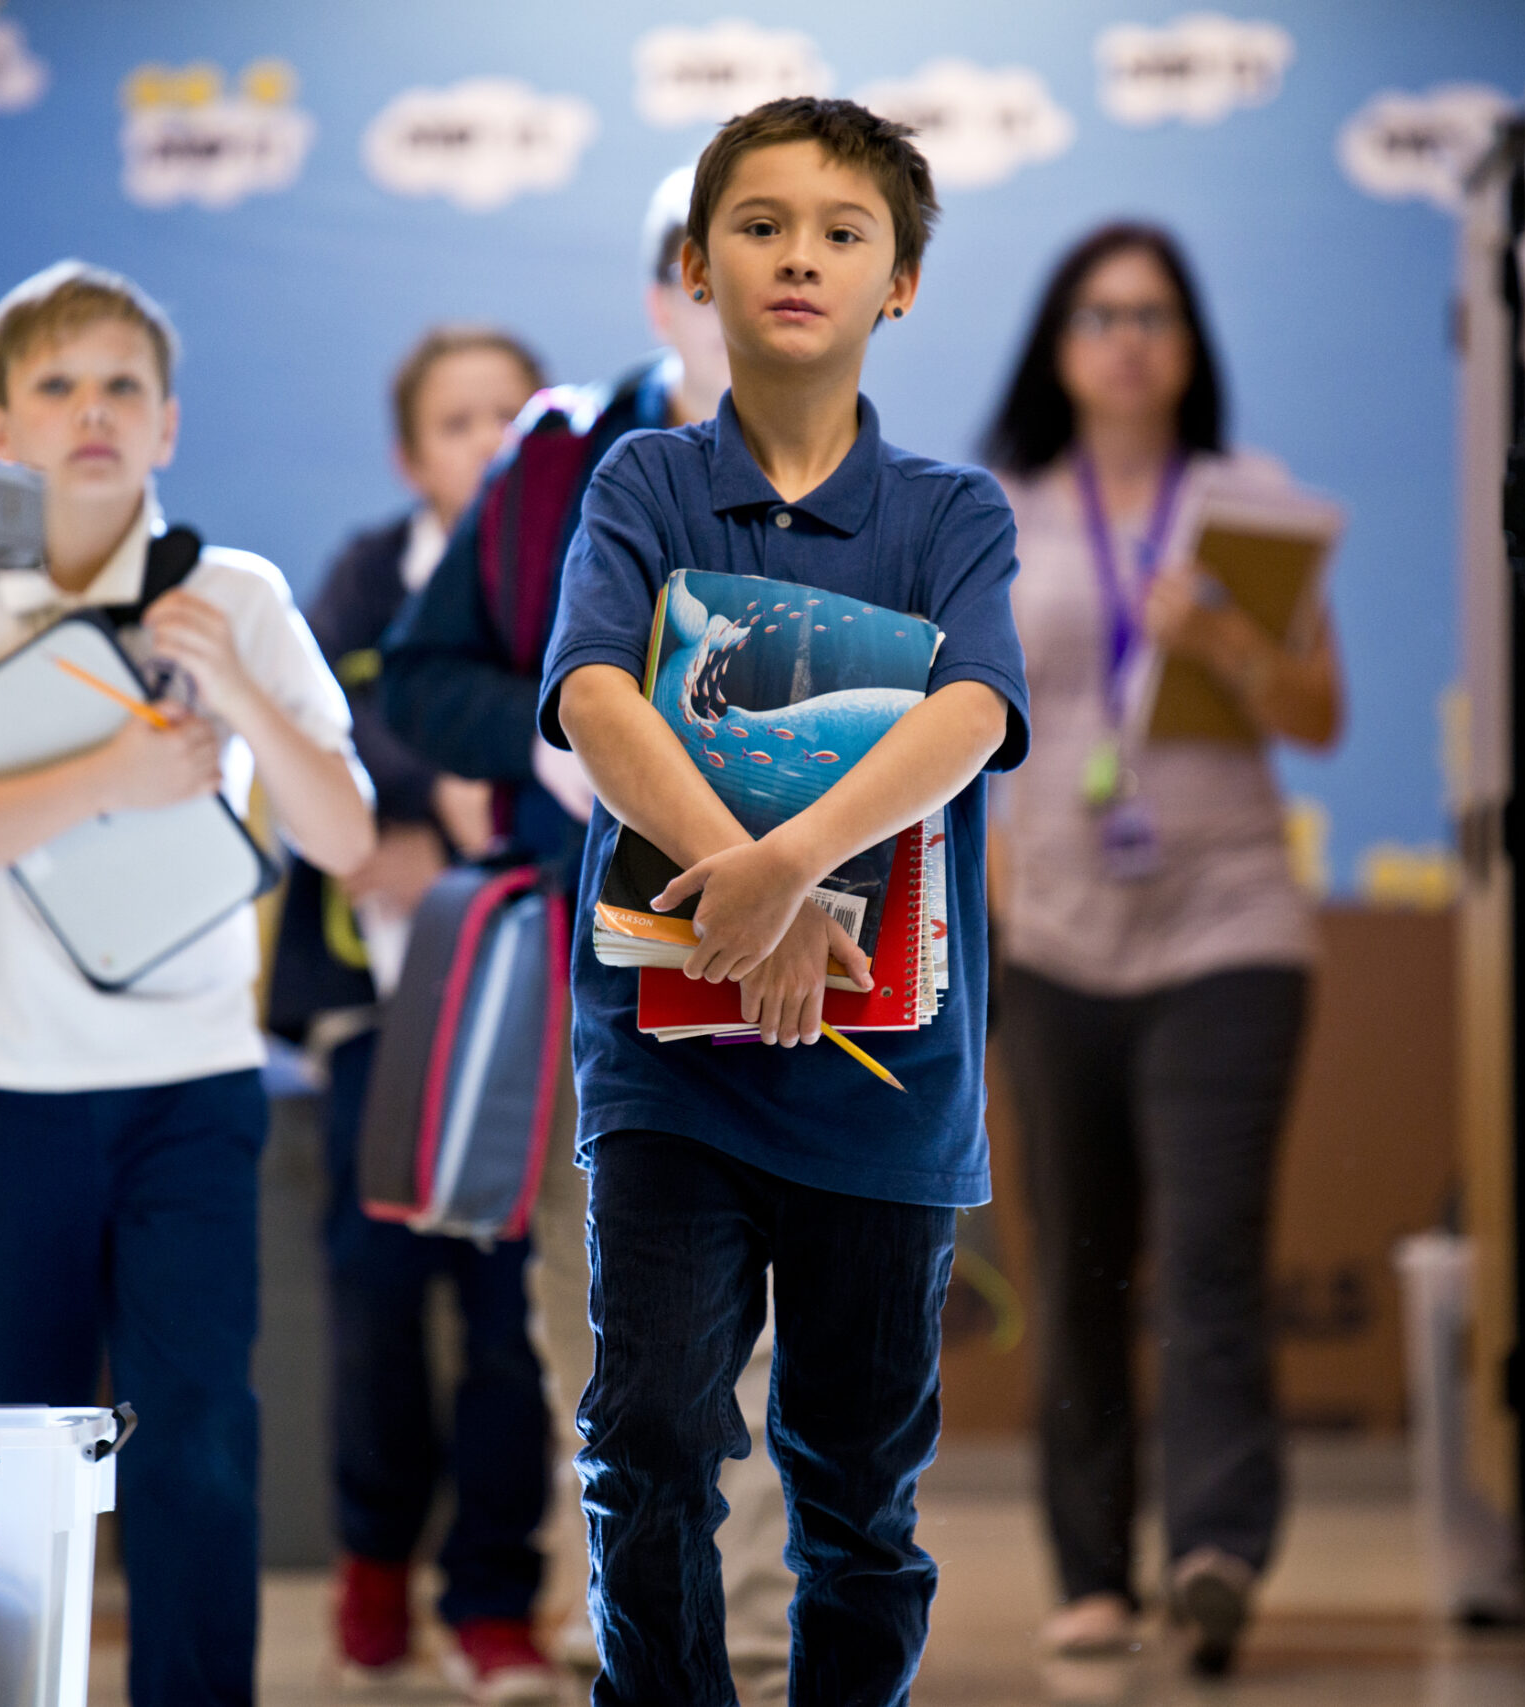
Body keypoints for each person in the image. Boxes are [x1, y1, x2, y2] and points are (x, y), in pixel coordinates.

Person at [540, 98, 1029, 1706]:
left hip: (883, 1095)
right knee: (655, 1438)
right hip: (671, 1074)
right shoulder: (642, 482)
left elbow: (970, 718)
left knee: (857, 1495)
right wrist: (745, 893)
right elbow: (599, 697)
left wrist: (789, 867)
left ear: (900, 283)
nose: (797, 256)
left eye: (842, 230)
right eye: (758, 225)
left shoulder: (951, 515)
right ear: (697, 264)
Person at [382, 169, 800, 1698]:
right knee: (604, 1324)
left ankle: (751, 1649)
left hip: (793, 959)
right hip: (597, 957)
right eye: (725, 275)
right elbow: (421, 682)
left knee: (764, 1324)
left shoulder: (870, 482)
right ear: (666, 291)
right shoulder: (558, 457)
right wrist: (549, 737)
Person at [0, 260, 376, 1707]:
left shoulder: (240, 591)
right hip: (2, 1085)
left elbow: (342, 832)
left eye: (123, 385)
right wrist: (110, 772)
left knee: (198, 1431)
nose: (93, 411)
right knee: (11, 1443)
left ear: (170, 424)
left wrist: (243, 692)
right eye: (57, 385)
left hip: (193, 1092)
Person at [979, 222, 1343, 1675]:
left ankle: (1216, 1549)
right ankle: (1090, 1574)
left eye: (1154, 313)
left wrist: (1238, 650)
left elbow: (1318, 718)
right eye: (1097, 313)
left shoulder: (1249, 504)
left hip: (1230, 925)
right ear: (1057, 347)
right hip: (1055, 936)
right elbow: (965, 734)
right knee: (1077, 1272)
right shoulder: (993, 513)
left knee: (1208, 1260)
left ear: (1188, 345)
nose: (1127, 338)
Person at [263, 325, 564, 1701]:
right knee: (378, 1301)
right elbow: (313, 711)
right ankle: (375, 1553)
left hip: (523, 1009)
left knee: (515, 1318)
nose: (489, 441)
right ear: (409, 453)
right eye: (458, 421)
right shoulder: (368, 574)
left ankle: (495, 1595)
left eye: (513, 415)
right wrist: (420, 793)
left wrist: (467, 826)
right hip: (380, 1011)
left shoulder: (573, 571)